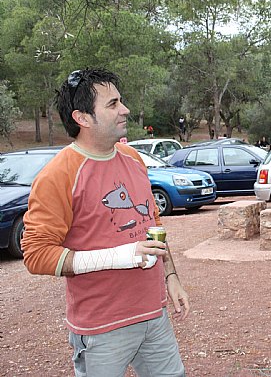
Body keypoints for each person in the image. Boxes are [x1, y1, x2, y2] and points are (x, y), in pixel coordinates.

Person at [22, 68, 190, 377]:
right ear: (82, 118)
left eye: (120, 101)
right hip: (101, 328)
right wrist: (119, 256)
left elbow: (153, 224)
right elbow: (36, 254)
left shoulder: (133, 159)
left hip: (154, 315)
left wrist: (171, 277)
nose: (125, 109)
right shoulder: (57, 175)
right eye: (112, 104)